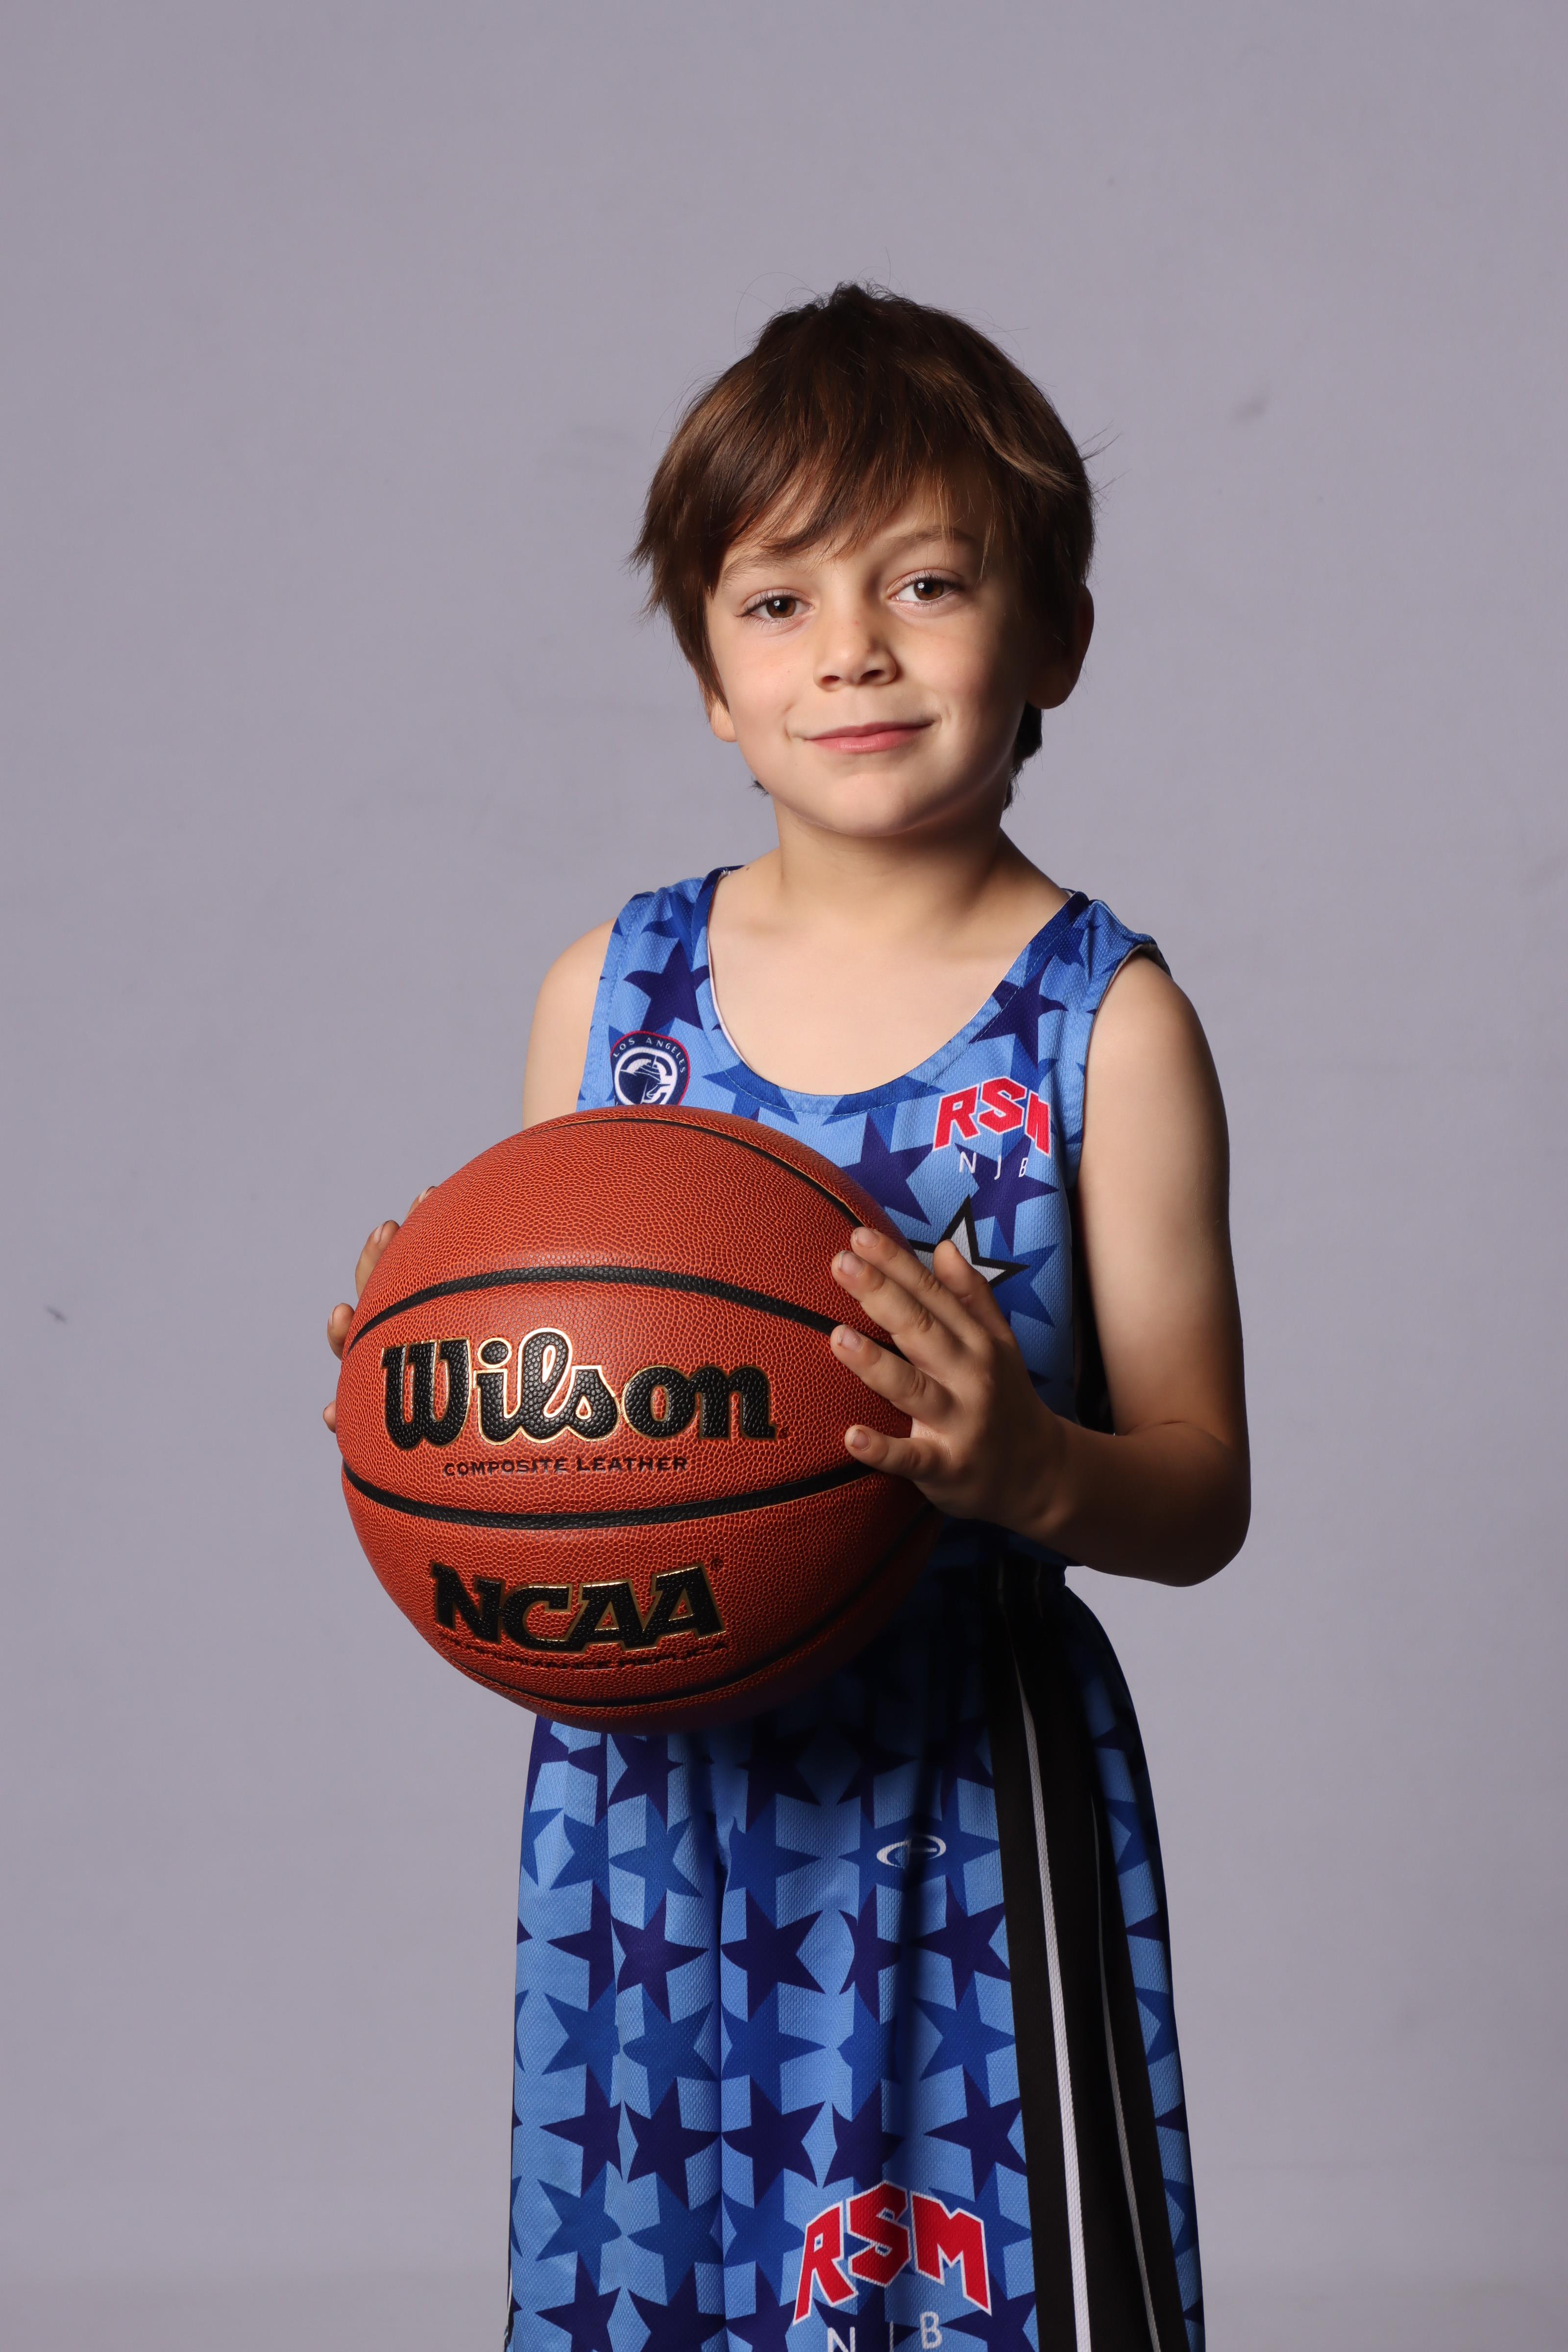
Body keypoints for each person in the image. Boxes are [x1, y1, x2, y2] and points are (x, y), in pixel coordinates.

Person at [326, 284, 1248, 2352]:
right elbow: (552, 1398)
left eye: (926, 582)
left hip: (960, 1794)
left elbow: (1201, 1493)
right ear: (710, 684)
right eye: (777, 601)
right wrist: (427, 1388)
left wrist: (1032, 1465)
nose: (850, 649)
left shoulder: (1104, 1023)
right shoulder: (608, 994)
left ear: (1056, 640)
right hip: (651, 1799)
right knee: (655, 2301)